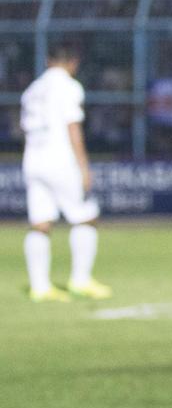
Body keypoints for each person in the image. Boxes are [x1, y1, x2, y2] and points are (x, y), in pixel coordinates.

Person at [21, 44, 111, 302]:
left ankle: (40, 287)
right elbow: (72, 128)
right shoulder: (69, 86)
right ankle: (80, 280)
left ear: (48, 61)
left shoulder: (33, 89)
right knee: (85, 218)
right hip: (59, 160)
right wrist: (83, 166)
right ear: (73, 63)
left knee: (40, 224)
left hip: (33, 160)